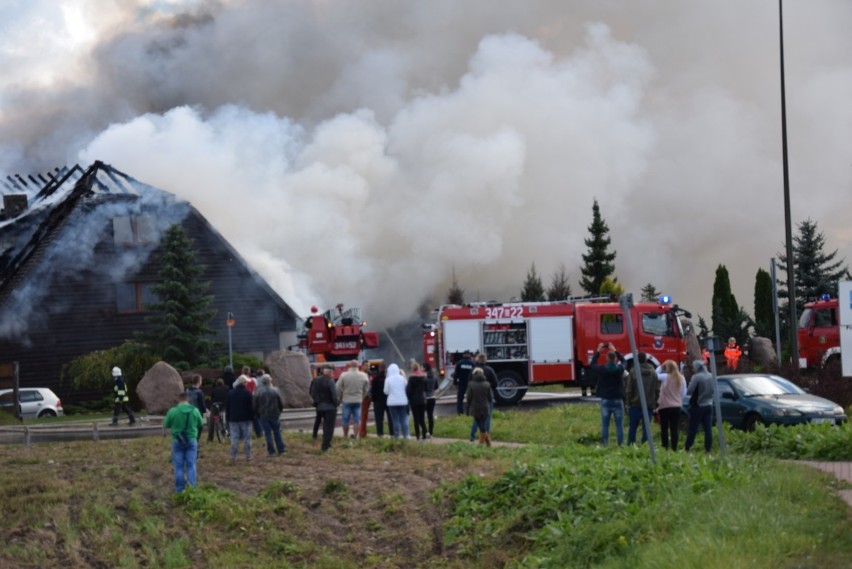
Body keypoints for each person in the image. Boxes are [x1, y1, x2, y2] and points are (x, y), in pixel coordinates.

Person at [163, 391, 205, 493]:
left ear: (179, 400)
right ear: (188, 399)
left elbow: (166, 425)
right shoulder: (195, 410)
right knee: (191, 465)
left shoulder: (173, 411)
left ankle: (179, 490)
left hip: (177, 440)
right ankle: (192, 489)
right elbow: (201, 423)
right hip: (191, 439)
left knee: (178, 466)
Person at [589, 343, 625, 446]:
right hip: (617, 399)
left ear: (606, 359)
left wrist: (598, 351)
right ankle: (621, 445)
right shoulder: (619, 369)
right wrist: (615, 350)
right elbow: (624, 361)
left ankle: (605, 444)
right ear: (615, 359)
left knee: (605, 425)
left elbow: (592, 365)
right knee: (619, 425)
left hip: (605, 399)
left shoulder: (602, 369)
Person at [625, 352, 660, 445]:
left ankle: (631, 444)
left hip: (635, 404)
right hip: (649, 404)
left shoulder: (633, 371)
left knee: (633, 426)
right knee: (647, 427)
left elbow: (629, 389)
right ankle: (645, 445)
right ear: (646, 360)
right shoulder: (653, 372)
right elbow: (657, 389)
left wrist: (628, 403)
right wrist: (656, 402)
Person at [685, 360, 715, 452]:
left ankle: (687, 447)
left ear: (697, 368)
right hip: (709, 404)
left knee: (693, 427)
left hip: (698, 405)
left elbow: (689, 391)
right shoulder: (711, 376)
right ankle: (708, 447)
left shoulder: (696, 377)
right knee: (708, 428)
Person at [655, 360, 686, 450]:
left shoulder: (665, 377)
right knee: (674, 428)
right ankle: (674, 447)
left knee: (664, 428)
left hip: (665, 406)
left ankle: (665, 446)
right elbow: (684, 393)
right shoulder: (681, 378)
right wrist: (679, 400)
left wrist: (661, 367)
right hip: (676, 406)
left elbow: (654, 375)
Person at [253, 374, 286, 457]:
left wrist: (258, 414)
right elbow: (281, 403)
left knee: (267, 433)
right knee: (277, 432)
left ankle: (271, 452)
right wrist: (279, 412)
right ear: (270, 381)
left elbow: (255, 405)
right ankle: (281, 450)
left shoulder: (258, 392)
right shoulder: (276, 390)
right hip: (274, 414)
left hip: (263, 415)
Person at [336, 360, 369, 439]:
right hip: (358, 400)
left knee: (345, 419)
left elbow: (337, 387)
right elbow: (366, 389)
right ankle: (355, 436)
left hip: (346, 400)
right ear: (358, 366)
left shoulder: (344, 375)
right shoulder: (364, 375)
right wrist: (362, 397)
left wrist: (340, 397)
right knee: (357, 419)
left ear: (349, 366)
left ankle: (345, 435)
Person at [310, 364, 339, 451]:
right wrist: (336, 404)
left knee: (320, 423)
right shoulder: (330, 381)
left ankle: (318, 437)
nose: (333, 374)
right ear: (330, 372)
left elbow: (311, 392)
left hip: (319, 406)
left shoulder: (315, 380)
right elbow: (334, 395)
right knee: (329, 427)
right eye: (332, 372)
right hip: (330, 407)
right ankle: (325, 446)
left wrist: (316, 402)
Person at [469, 353, 497, 442]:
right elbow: (496, 383)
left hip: (475, 398)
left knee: (476, 418)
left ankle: (472, 436)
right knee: (487, 417)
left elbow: (469, 383)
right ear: (485, 360)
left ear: (477, 359)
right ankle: (486, 436)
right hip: (487, 397)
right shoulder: (490, 370)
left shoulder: (473, 370)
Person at [226, 376, 254, 462]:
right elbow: (251, 407)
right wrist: (252, 418)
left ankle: (233, 456)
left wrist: (228, 418)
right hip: (245, 419)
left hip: (233, 419)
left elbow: (227, 407)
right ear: (244, 383)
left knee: (234, 438)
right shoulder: (248, 393)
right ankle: (248, 455)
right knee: (247, 438)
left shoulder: (230, 393)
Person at [465, 368, 493, 446]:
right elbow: (490, 398)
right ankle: (488, 442)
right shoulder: (487, 384)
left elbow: (468, 398)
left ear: (474, 374)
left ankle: (481, 443)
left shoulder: (471, 384)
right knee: (482, 424)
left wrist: (467, 408)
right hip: (485, 408)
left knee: (481, 425)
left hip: (475, 408)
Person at [384, 363, 410, 439]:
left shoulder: (388, 379)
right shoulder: (402, 378)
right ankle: (406, 435)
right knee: (404, 419)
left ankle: (397, 435)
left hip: (392, 402)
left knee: (395, 420)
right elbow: (406, 388)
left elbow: (386, 391)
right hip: (403, 401)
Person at [370, 363, 394, 437]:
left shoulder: (376, 378)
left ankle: (380, 434)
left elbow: (372, 391)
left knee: (379, 419)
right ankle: (392, 433)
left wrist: (373, 400)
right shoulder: (389, 378)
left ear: (379, 368)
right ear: (386, 369)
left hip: (378, 402)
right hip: (388, 400)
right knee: (391, 418)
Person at [406, 360, 428, 441]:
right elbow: (425, 388)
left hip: (414, 401)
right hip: (422, 400)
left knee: (416, 419)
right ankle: (424, 436)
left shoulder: (411, 379)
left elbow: (409, 390)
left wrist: (408, 397)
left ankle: (418, 437)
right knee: (422, 418)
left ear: (412, 369)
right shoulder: (423, 378)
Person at [186, 374, 207, 456]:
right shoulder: (199, 392)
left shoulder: (187, 390)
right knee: (196, 434)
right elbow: (202, 406)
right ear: (199, 382)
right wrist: (205, 410)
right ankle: (195, 451)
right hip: (196, 415)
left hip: (187, 414)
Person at [208, 377, 230, 442]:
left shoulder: (214, 390)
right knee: (226, 417)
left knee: (212, 421)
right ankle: (228, 432)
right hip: (224, 405)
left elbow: (212, 398)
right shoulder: (227, 388)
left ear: (216, 384)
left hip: (215, 406)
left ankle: (210, 438)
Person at [423, 362, 438, 438]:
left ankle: (425, 432)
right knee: (430, 416)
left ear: (425, 368)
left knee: (421, 416)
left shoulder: (424, 377)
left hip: (425, 398)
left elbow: (422, 388)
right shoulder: (434, 376)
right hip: (432, 397)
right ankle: (431, 433)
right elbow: (436, 388)